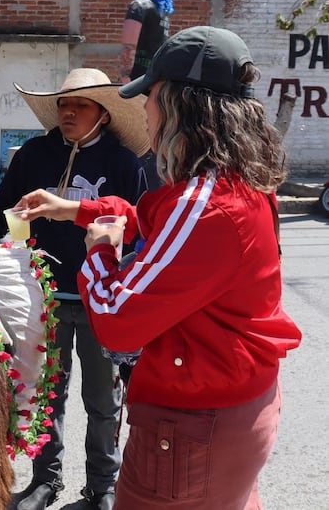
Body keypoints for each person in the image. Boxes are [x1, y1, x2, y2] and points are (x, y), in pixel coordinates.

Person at [18, 26, 302, 509]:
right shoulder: (235, 183)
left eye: (150, 95)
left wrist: (101, 251)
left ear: (177, 105)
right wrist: (76, 209)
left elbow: (116, 322)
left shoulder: (204, 204)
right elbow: (157, 224)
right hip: (233, 405)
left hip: (193, 425)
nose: (144, 109)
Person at [0, 68, 148, 510]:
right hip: (41, 295)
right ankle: (45, 481)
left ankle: (102, 487)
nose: (68, 112)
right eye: (63, 105)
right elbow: (1, 213)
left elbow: (140, 233)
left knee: (103, 400)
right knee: (46, 396)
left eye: (80, 106)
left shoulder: (124, 164)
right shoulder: (33, 155)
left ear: (103, 115)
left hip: (100, 301)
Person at [120, 0, 174, 190]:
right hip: (157, 84)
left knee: (131, 136)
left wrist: (124, 77)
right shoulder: (163, 15)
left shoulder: (139, 6)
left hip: (136, 83)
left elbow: (128, 46)